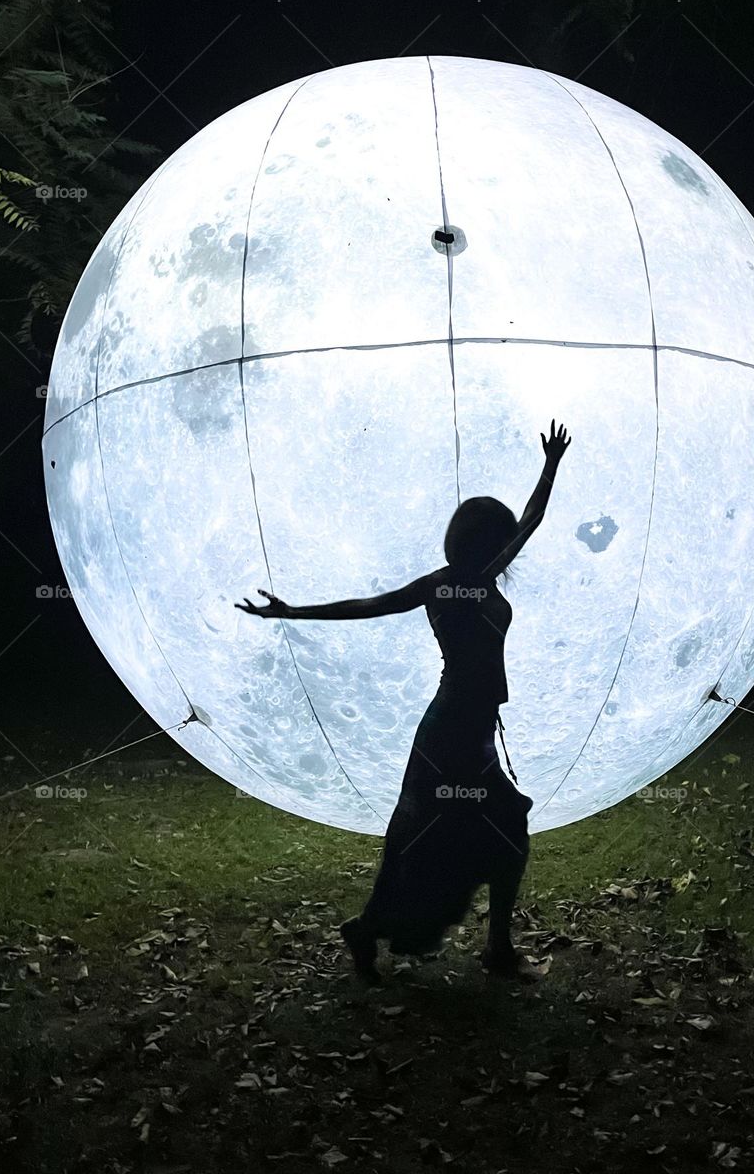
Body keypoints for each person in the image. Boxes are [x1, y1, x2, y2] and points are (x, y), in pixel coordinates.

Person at [236, 419, 572, 982]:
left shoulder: (448, 584)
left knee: (430, 836)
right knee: (494, 829)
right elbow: (531, 523)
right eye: (501, 536)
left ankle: (377, 931)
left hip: (457, 731)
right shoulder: (465, 584)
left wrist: (290, 612)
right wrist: (551, 466)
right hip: (454, 736)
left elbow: (371, 605)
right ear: (488, 546)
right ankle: (490, 951)